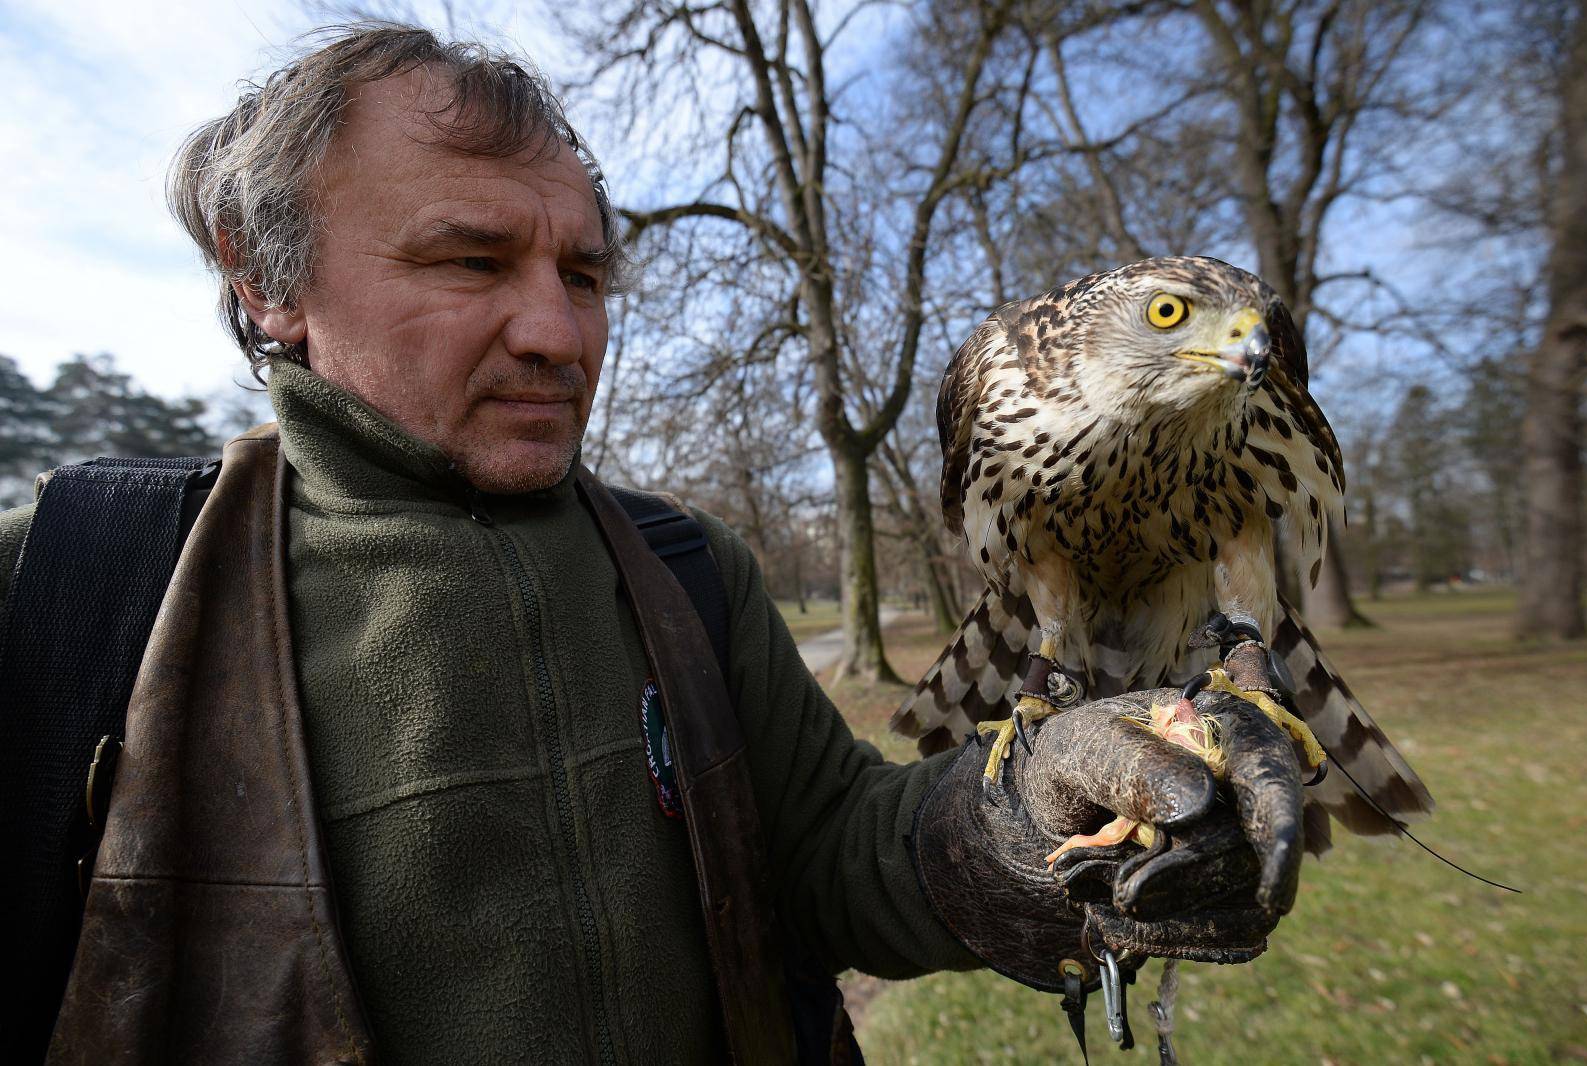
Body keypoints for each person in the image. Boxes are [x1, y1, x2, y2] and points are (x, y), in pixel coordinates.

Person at [0, 23, 1306, 1065]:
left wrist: (1040, 807)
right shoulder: (71, 588)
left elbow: (840, 852)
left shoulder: (683, 571)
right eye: (469, 260)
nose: (557, 335)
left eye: (583, 274)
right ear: (264, 279)